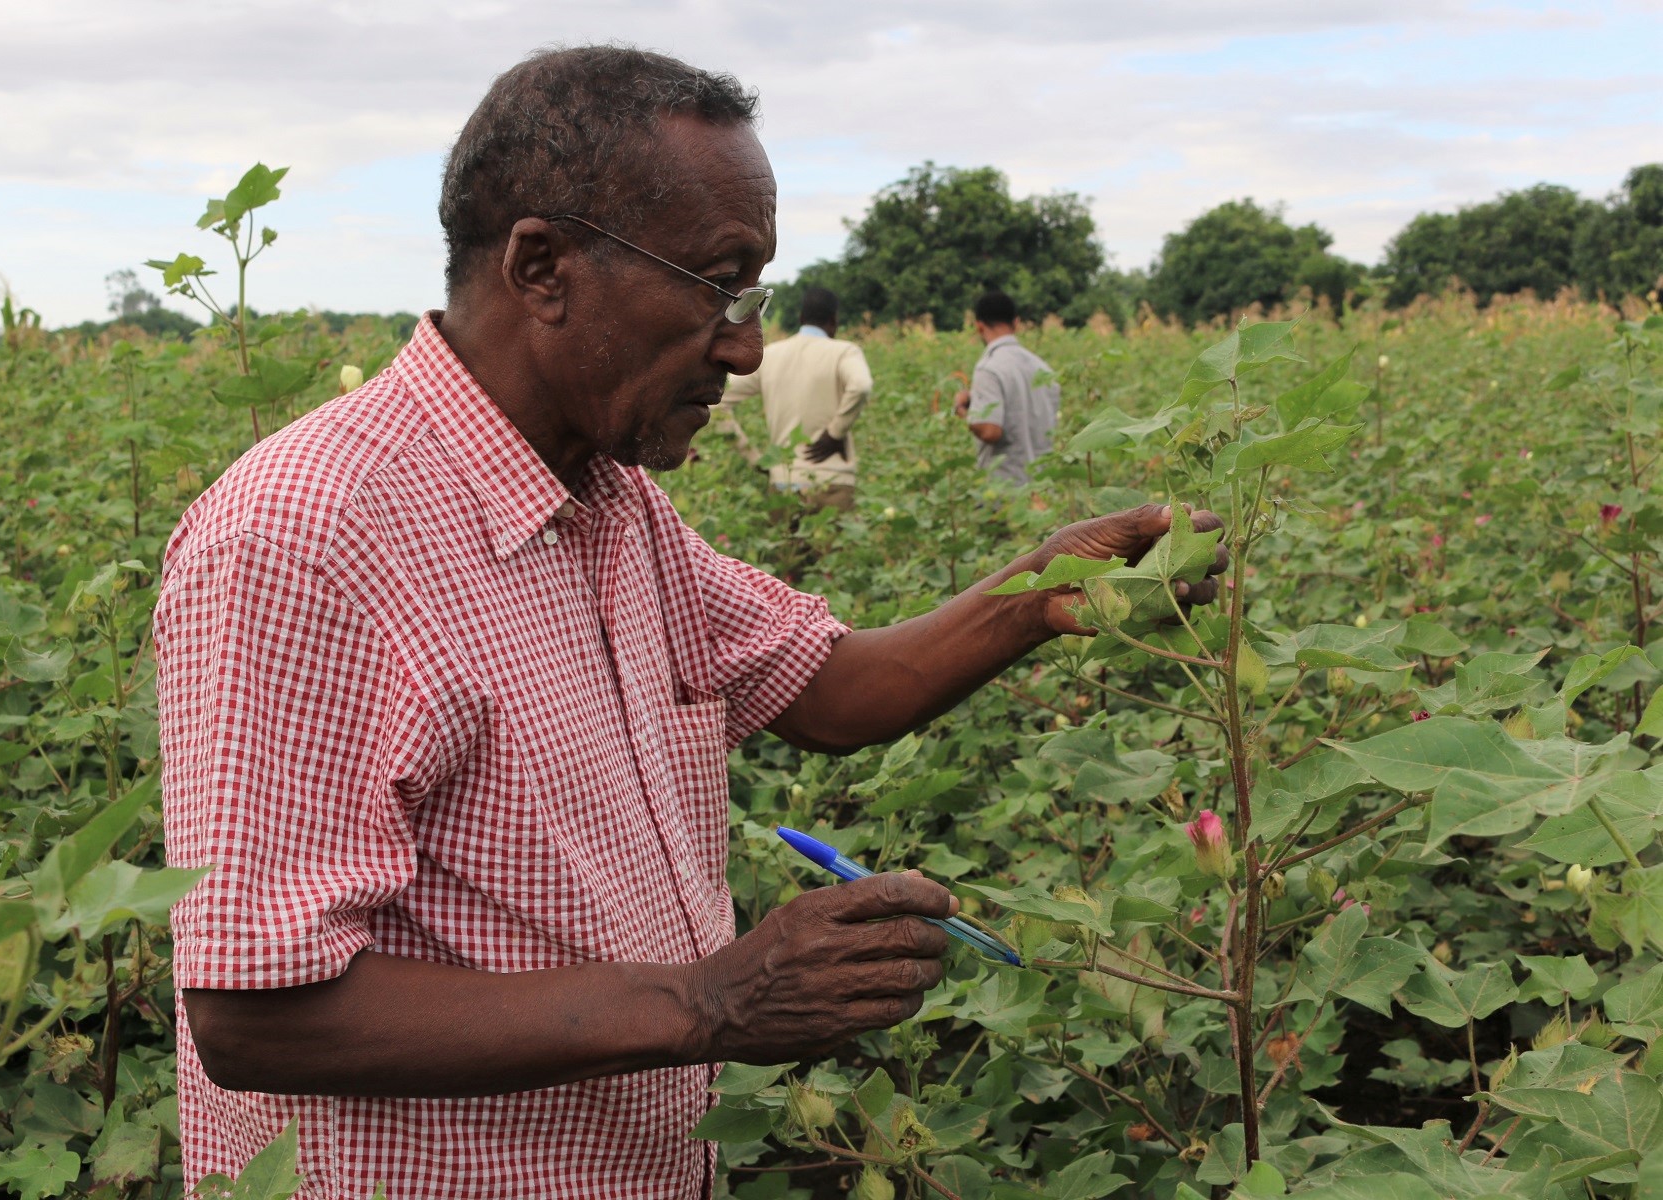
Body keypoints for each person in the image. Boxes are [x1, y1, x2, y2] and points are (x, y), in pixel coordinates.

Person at [155, 46, 1225, 1200]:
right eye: (719, 284)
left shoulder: (611, 505)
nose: (744, 346)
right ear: (542, 267)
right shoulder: (304, 541)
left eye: (753, 295)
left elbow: (831, 687)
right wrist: (712, 998)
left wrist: (1043, 586)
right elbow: (258, 1016)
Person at [720, 285, 871, 508]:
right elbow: (861, 385)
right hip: (833, 481)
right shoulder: (844, 352)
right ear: (834, 320)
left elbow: (718, 399)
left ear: (801, 318)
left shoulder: (770, 356)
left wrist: (753, 457)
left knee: (787, 544)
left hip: (784, 482)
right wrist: (835, 433)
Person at [954, 291, 1061, 486]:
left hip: (1005, 492)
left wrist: (963, 411)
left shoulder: (989, 368)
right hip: (1043, 489)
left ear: (979, 326)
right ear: (1016, 323)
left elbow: (990, 430)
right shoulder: (1043, 368)